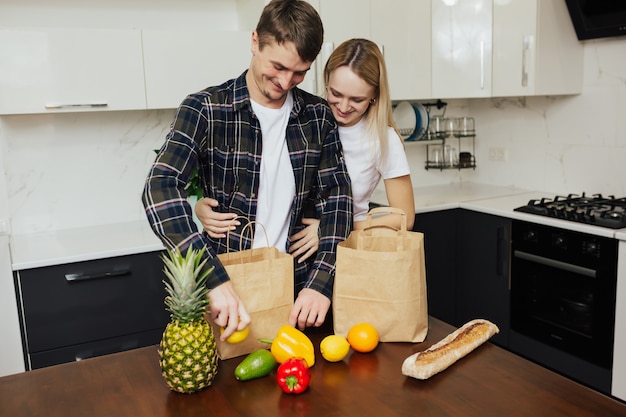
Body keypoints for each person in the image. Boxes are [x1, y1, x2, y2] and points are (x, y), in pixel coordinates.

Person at [142, 0, 353, 340]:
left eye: (299, 72)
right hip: (225, 289)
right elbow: (160, 188)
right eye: (278, 67)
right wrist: (211, 277)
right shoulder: (205, 109)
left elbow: (338, 198)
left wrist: (322, 283)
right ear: (255, 41)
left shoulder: (319, 116)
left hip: (300, 293)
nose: (286, 82)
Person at [197, 38, 414, 249]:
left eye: (357, 100)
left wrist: (333, 227)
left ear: (374, 96)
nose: (344, 107)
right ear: (326, 81)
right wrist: (201, 208)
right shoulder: (304, 120)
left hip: (347, 252)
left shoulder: (384, 140)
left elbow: (405, 217)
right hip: (289, 253)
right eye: (336, 93)